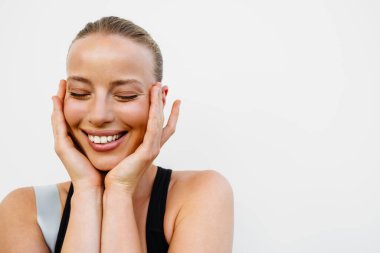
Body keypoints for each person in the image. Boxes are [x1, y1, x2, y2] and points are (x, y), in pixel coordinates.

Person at [0, 16, 234, 253]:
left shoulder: (202, 194)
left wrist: (120, 191)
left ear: (159, 102)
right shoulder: (25, 210)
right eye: (80, 93)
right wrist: (86, 191)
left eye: (125, 95)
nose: (99, 115)